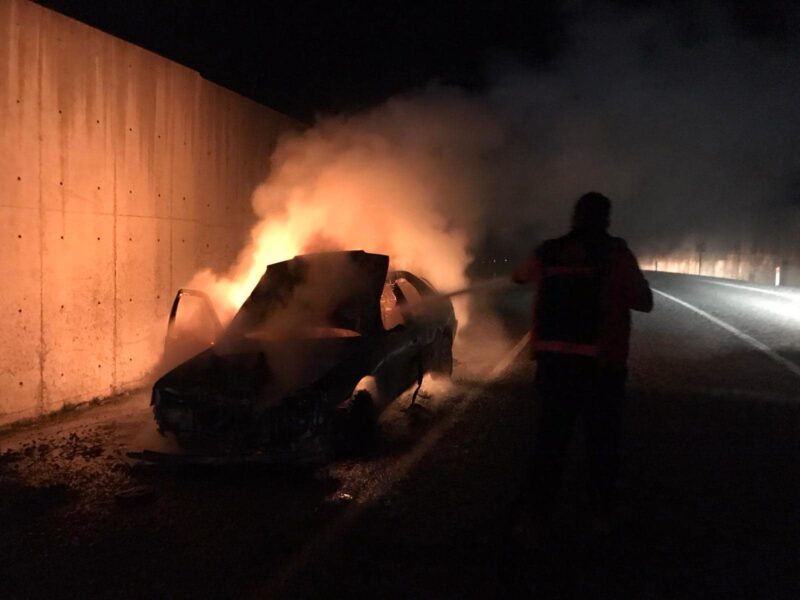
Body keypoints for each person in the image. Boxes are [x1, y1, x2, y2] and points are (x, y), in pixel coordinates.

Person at [512, 191, 653, 531]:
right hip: (601, 368)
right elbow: (644, 301)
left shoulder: (549, 251)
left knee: (550, 443)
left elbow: (519, 276)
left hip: (554, 365)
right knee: (602, 445)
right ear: (606, 219)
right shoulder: (616, 254)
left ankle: (535, 519)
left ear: (575, 217)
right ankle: (601, 518)